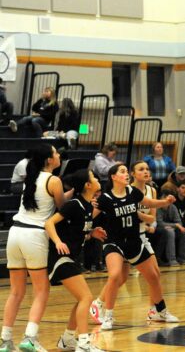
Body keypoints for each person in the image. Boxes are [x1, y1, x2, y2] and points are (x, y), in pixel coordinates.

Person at [89, 164, 179, 330]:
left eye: (125, 170)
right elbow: (88, 216)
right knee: (115, 275)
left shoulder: (132, 192)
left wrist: (165, 202)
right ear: (113, 177)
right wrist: (91, 231)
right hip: (114, 242)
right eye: (122, 172)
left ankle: (161, 310)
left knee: (153, 276)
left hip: (134, 241)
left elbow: (149, 202)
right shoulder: (105, 199)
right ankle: (108, 316)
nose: (125, 174)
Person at [0, 144, 71, 352]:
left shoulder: (30, 179)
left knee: (16, 292)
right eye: (56, 153)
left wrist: (69, 191)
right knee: (41, 290)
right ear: (49, 160)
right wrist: (72, 193)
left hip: (15, 233)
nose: (58, 155)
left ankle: (5, 340)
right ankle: (30, 337)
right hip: (34, 235)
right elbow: (61, 206)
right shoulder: (54, 180)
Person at [45, 169, 106, 352]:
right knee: (86, 297)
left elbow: (78, 233)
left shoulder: (87, 206)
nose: (96, 179)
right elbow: (49, 223)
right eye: (93, 177)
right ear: (88, 185)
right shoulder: (73, 204)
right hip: (60, 258)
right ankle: (84, 344)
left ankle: (67, 340)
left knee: (82, 299)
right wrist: (57, 241)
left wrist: (91, 234)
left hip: (72, 258)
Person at [157, 189, 185, 265]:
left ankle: (182, 258)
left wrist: (175, 226)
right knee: (170, 232)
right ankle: (172, 259)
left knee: (184, 231)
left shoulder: (173, 207)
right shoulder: (157, 207)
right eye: (164, 198)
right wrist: (175, 225)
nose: (166, 200)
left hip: (171, 228)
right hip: (158, 228)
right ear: (161, 198)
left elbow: (179, 222)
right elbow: (159, 223)